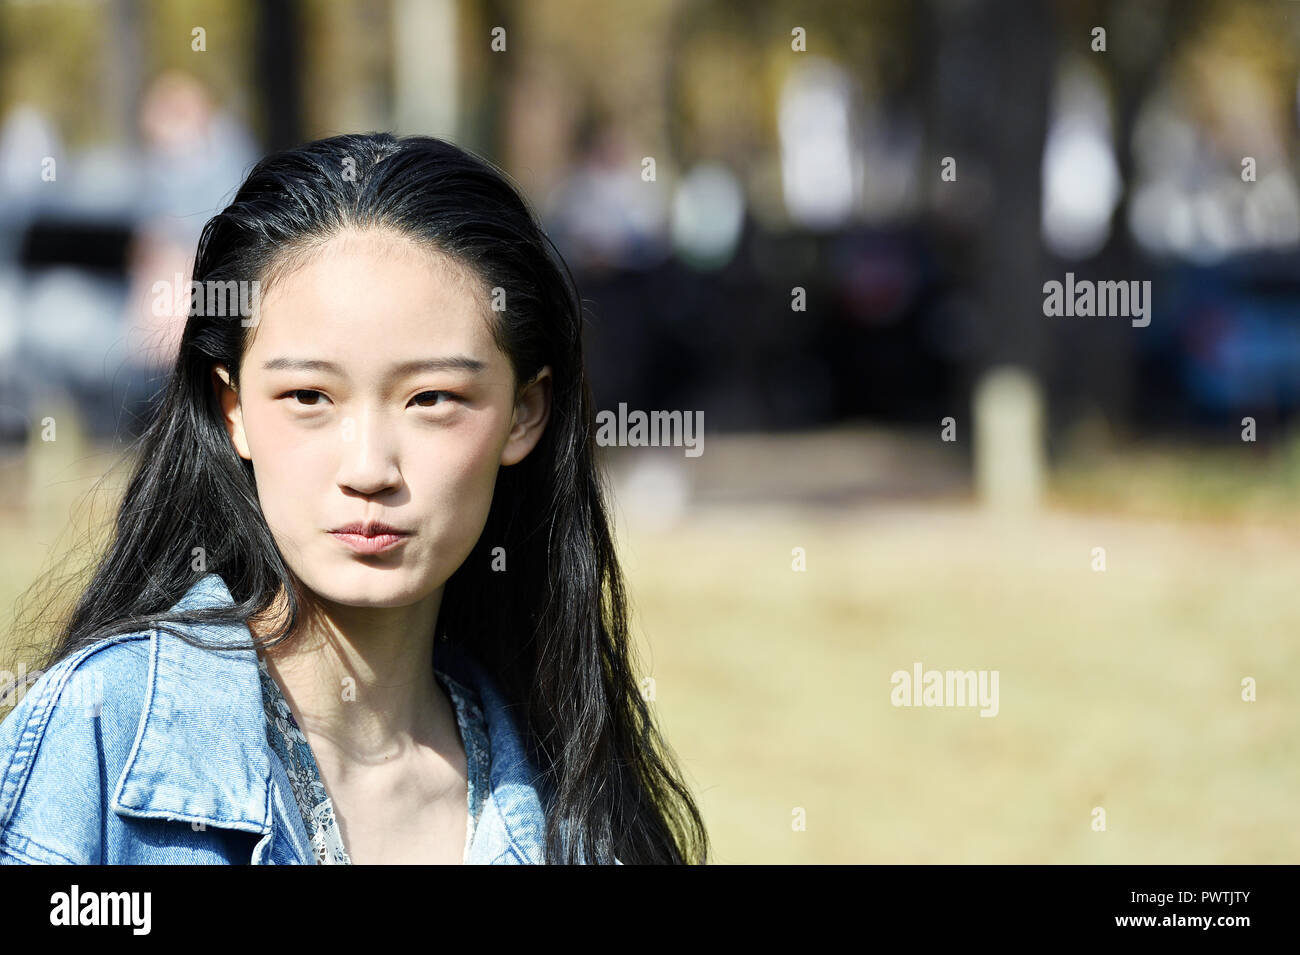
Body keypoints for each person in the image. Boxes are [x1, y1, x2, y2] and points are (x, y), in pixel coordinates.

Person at [0, 133, 709, 865]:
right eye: (309, 395)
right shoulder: (99, 738)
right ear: (233, 407)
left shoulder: (578, 805)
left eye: (433, 398)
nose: (369, 468)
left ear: (525, 413)